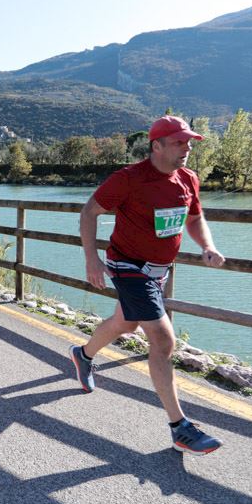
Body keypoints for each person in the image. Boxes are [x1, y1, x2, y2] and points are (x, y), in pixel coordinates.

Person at [70, 115, 226, 456]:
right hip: (128, 266)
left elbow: (195, 218)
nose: (186, 149)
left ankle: (83, 355)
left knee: (124, 323)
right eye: (178, 142)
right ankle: (180, 427)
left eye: (188, 143)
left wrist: (207, 246)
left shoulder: (188, 179)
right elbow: (88, 212)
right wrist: (91, 259)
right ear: (156, 146)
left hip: (159, 271)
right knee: (162, 338)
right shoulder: (129, 179)